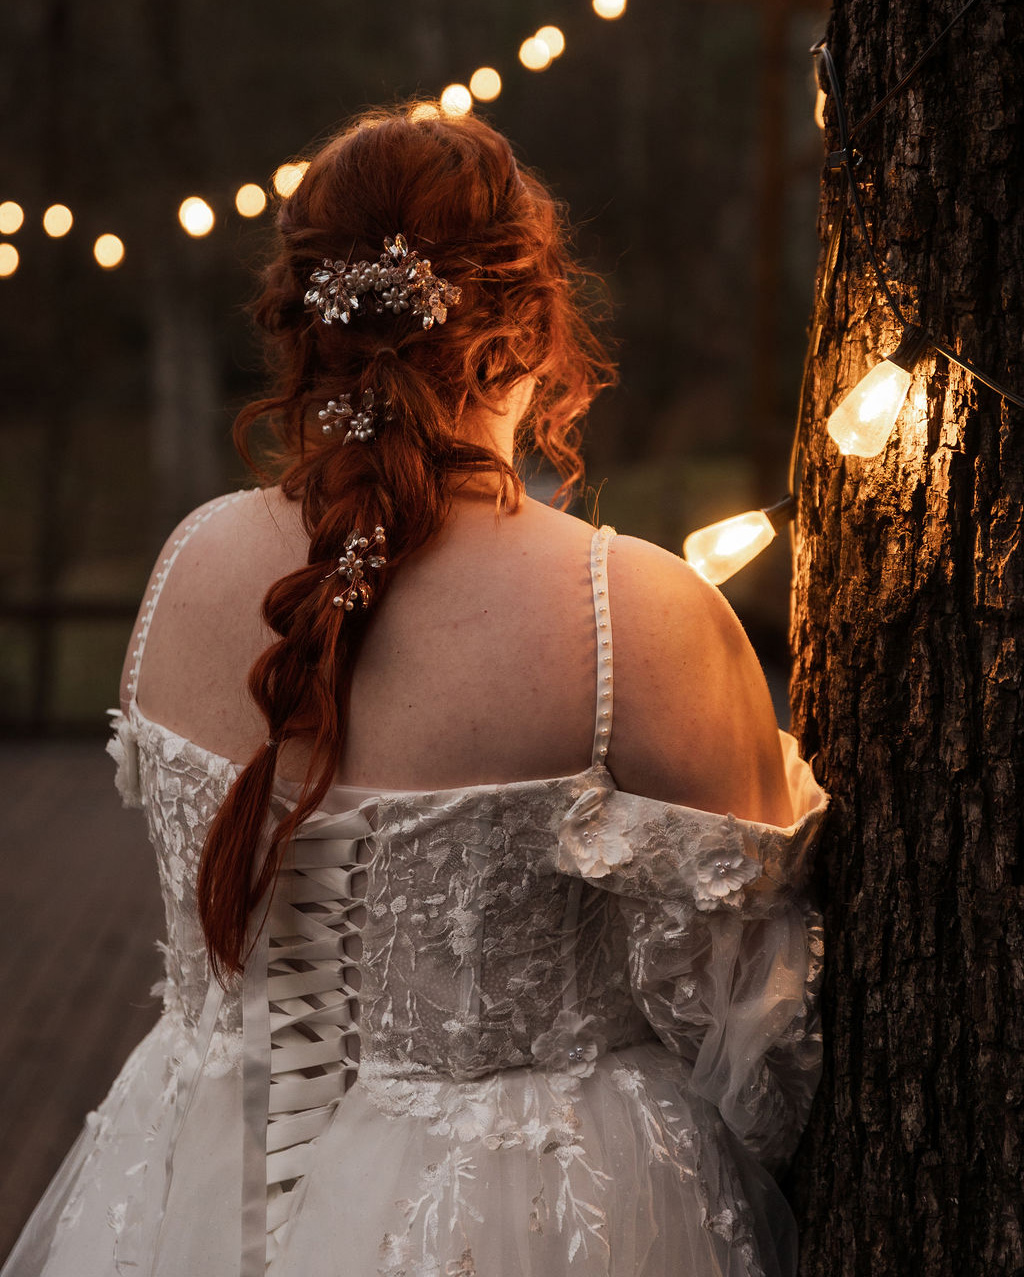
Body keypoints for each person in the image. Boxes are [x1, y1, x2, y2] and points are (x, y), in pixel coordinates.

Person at [3, 106, 827, 1277]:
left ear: (300, 329)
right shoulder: (630, 615)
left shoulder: (187, 565)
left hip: (185, 1201)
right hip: (539, 1222)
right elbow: (758, 1047)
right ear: (538, 327)